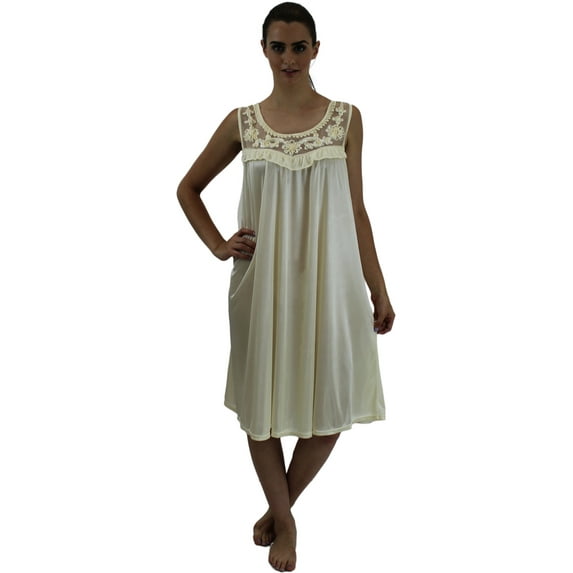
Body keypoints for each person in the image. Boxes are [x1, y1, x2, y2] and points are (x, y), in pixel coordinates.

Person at [177, 3, 395, 571]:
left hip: (333, 282)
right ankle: (288, 524)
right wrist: (218, 245)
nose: (289, 58)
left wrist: (378, 287)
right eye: (279, 47)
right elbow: (188, 188)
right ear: (264, 50)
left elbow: (357, 210)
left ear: (316, 49)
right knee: (261, 406)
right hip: (262, 284)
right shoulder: (243, 122)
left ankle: (278, 510)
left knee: (334, 403)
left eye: (299, 47)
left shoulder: (346, 119)